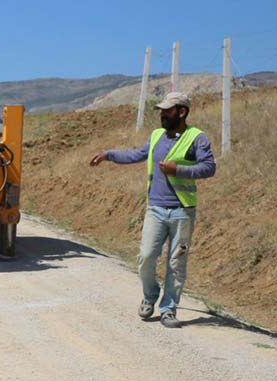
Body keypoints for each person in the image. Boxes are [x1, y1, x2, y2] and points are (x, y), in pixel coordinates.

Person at [89, 92, 216, 328]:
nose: (162, 114)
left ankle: (168, 309)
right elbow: (137, 154)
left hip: (182, 212)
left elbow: (209, 168)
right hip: (156, 209)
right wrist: (109, 155)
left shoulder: (197, 138)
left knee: (177, 263)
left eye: (167, 110)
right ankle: (150, 296)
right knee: (146, 257)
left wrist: (178, 170)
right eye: (161, 110)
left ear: (182, 112)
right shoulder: (157, 135)